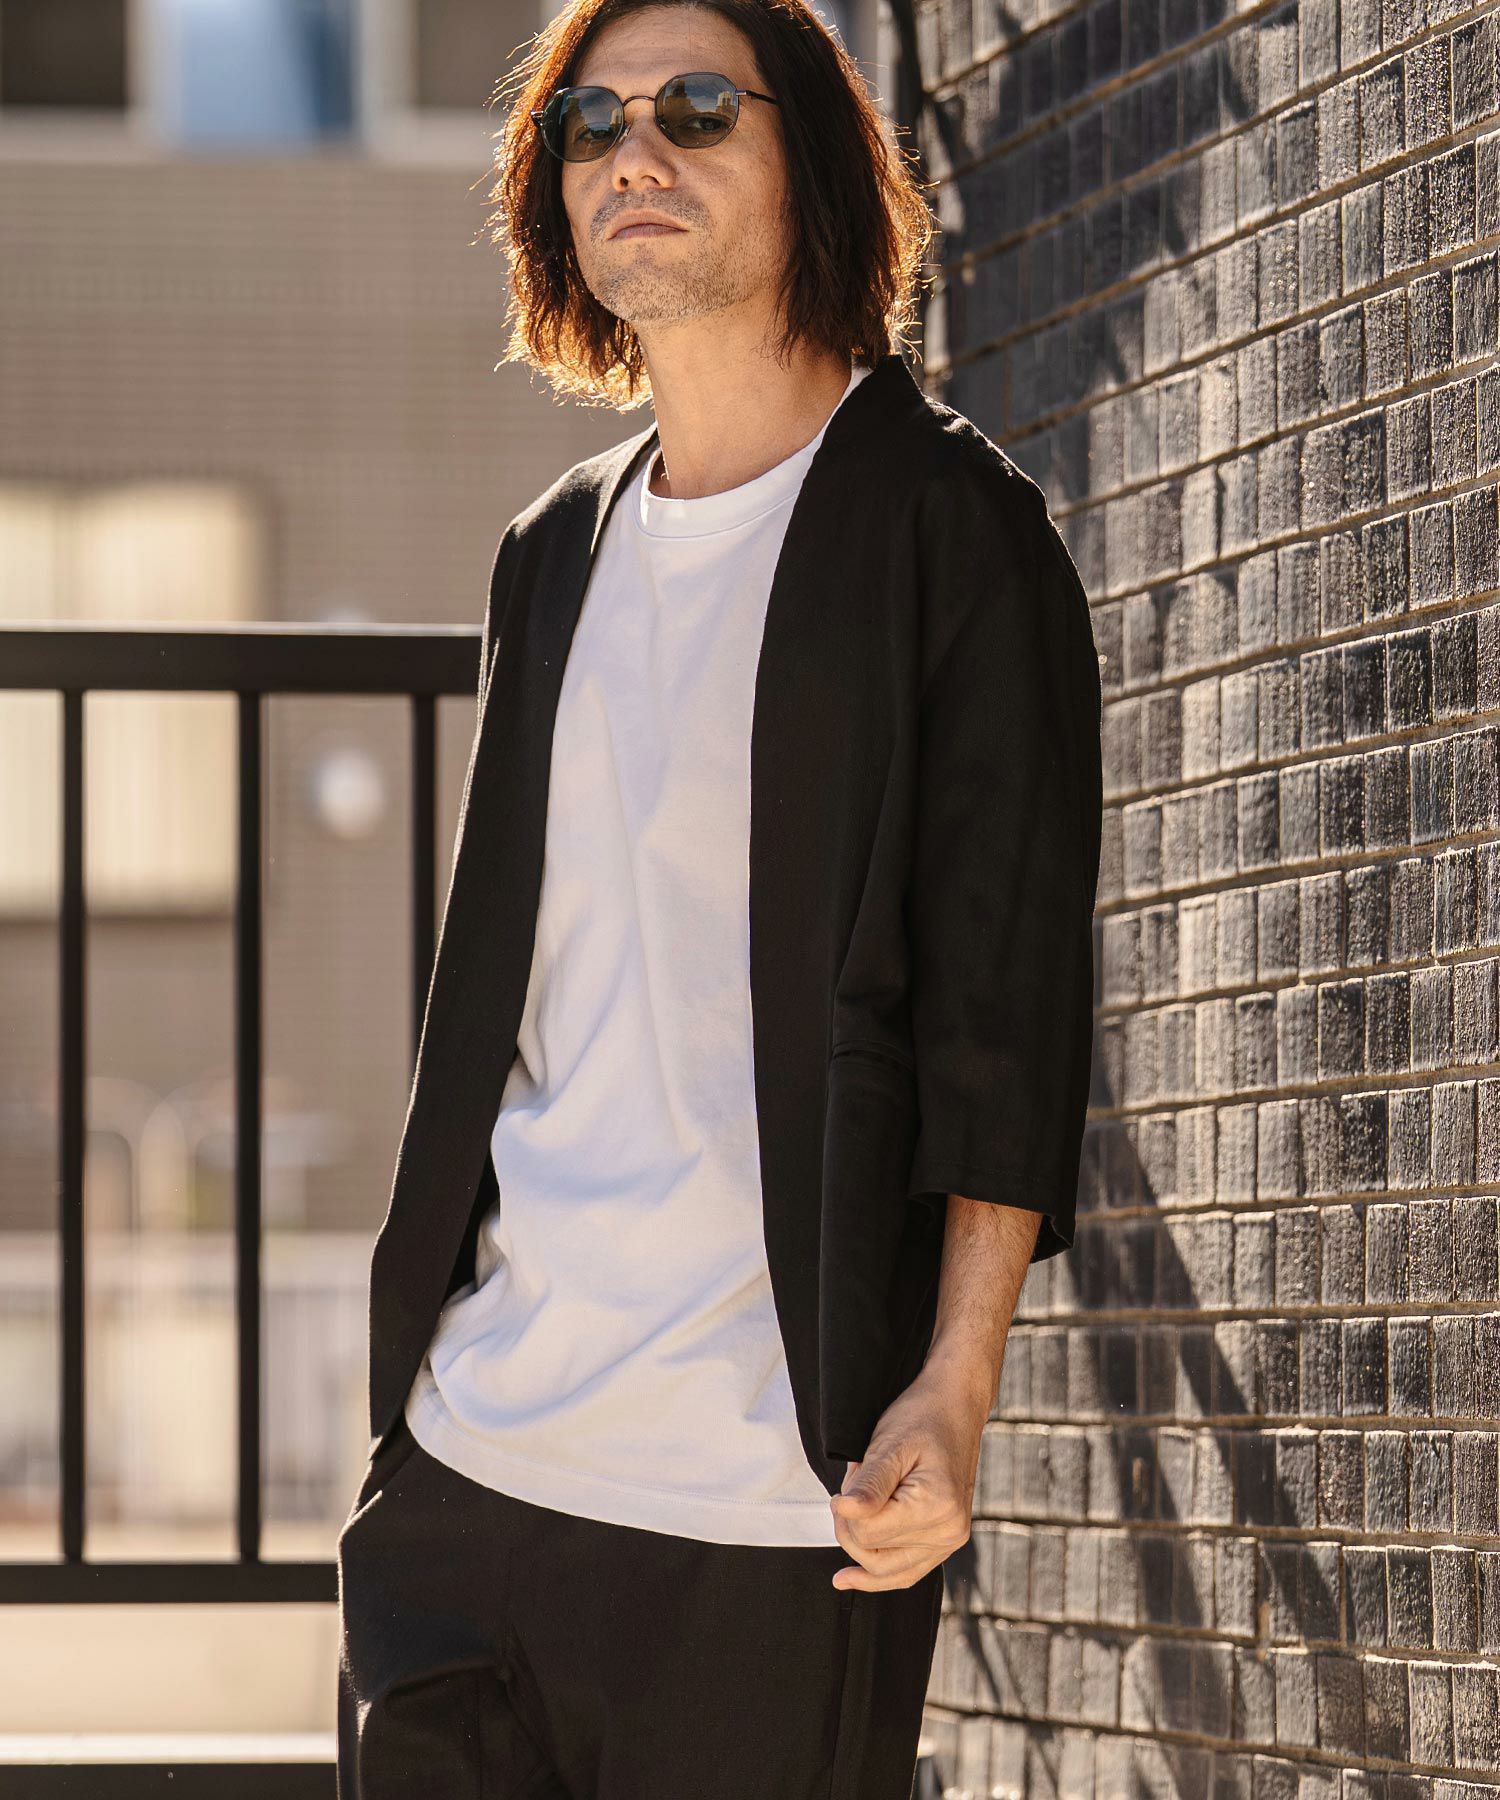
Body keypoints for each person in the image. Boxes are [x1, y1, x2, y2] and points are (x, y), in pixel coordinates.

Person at [336, 0, 1104, 1793]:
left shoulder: (952, 535)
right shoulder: (552, 552)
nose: (636, 154)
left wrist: (957, 1388)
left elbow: (1002, 1013)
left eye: (694, 108)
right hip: (467, 1480)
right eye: (591, 126)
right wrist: (403, 1428)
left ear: (808, 158)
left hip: (763, 1512)